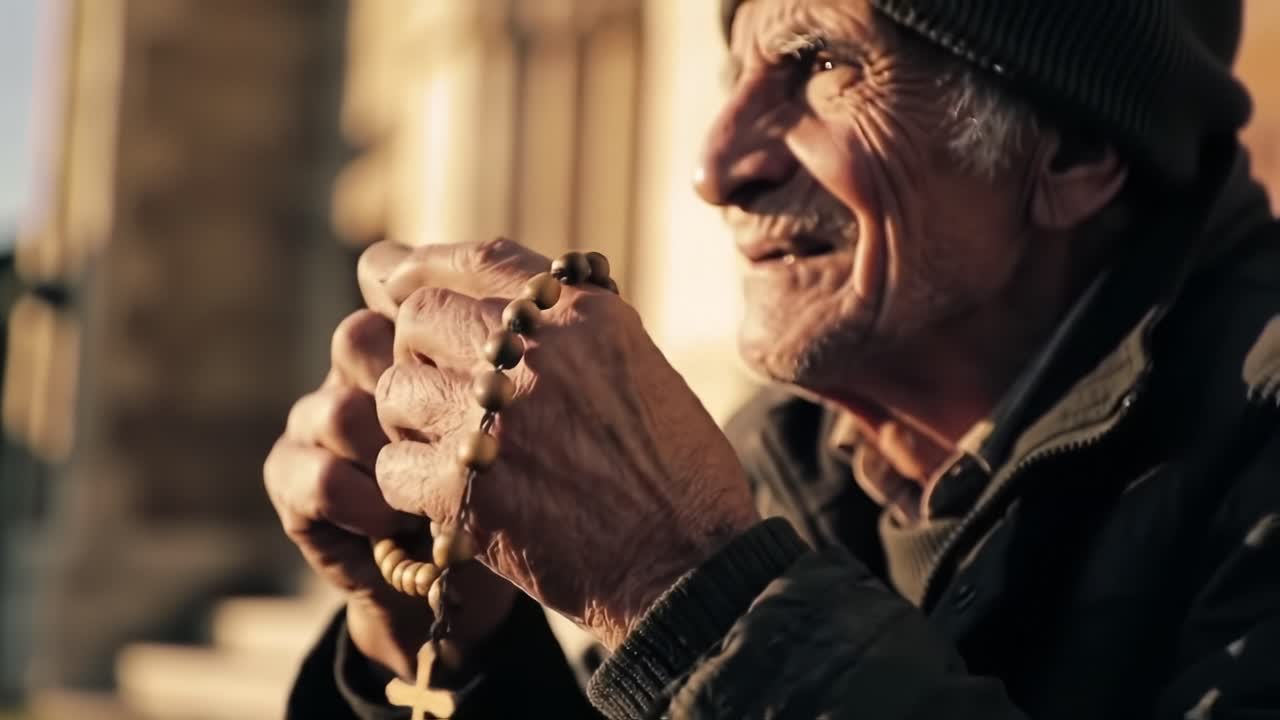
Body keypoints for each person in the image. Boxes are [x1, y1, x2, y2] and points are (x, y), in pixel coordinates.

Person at [267, 0, 1280, 717]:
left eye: (822, 64)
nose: (713, 167)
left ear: (1071, 153)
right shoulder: (782, 455)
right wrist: (440, 633)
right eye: (731, 76)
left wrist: (682, 583)